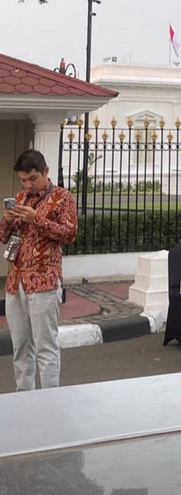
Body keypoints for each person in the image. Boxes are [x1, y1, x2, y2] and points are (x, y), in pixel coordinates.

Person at [0, 149, 77, 390]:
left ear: (46, 172)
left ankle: (49, 403)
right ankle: (25, 399)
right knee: (20, 347)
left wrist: (36, 219)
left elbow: (69, 234)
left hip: (43, 281)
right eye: (23, 179)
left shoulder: (63, 197)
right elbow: (4, 237)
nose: (28, 184)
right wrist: (7, 218)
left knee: (45, 346)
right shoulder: (21, 197)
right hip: (16, 282)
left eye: (32, 178)